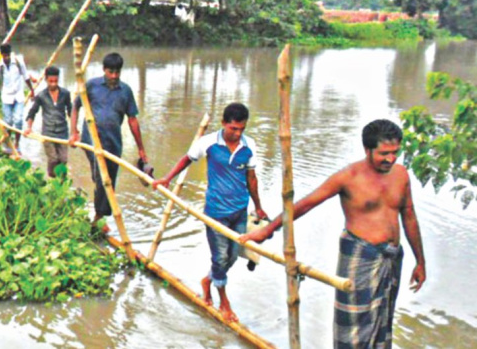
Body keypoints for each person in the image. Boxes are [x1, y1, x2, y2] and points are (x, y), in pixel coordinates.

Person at [240, 119, 426, 348]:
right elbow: (305, 205)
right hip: (360, 256)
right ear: (367, 150)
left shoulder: (401, 175)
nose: (390, 159)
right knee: (353, 327)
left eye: (395, 152)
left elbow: (409, 215)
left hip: (391, 257)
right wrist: (267, 231)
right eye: (384, 153)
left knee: (383, 322)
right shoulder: (348, 177)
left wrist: (420, 262)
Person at [152, 102, 267, 323]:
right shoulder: (208, 143)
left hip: (240, 210)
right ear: (224, 123)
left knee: (233, 256)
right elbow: (187, 159)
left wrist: (258, 206)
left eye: (241, 129)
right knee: (220, 256)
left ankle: (208, 280)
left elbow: (251, 179)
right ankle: (223, 301)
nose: (237, 133)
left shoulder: (249, 146)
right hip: (216, 211)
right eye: (233, 128)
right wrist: (167, 178)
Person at [70, 52, 148, 230]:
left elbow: (132, 120)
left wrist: (141, 150)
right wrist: (73, 131)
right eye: (110, 72)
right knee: (101, 176)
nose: (113, 76)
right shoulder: (91, 86)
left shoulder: (125, 91)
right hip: (91, 140)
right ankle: (99, 218)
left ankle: (99, 212)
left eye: (117, 72)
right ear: (104, 70)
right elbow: (76, 106)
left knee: (109, 179)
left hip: (113, 142)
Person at [0, 43, 35, 149]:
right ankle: (7, 141)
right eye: (4, 55)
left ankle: (17, 144)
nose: (6, 58)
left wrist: (32, 90)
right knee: (8, 121)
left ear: (10, 54)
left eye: (7, 55)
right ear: (1, 54)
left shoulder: (19, 62)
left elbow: (26, 76)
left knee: (19, 120)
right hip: (6, 96)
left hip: (18, 95)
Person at [24, 66, 72, 178]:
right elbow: (32, 112)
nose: (53, 84)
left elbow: (71, 111)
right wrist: (29, 128)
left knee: (63, 159)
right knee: (53, 158)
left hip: (62, 132)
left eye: (56, 81)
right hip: (48, 132)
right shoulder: (41, 96)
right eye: (51, 81)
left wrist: (75, 131)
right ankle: (52, 178)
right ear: (46, 80)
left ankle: (62, 181)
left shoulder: (65, 94)